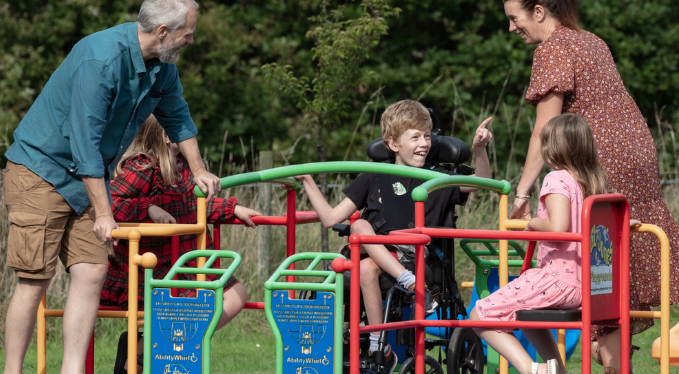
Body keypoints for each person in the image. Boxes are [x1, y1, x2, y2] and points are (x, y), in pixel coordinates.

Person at [1, 0, 221, 374]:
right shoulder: (101, 59)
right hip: (41, 171)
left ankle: (72, 370)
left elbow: (179, 118)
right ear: (164, 31)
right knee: (35, 278)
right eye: (188, 32)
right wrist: (104, 212)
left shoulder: (162, 68)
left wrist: (199, 169)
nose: (192, 39)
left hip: (86, 177)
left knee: (92, 271)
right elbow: (85, 141)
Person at [500, 0, 679, 371]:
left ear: (538, 12)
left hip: (603, 158)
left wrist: (522, 191)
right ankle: (612, 351)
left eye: (514, 18)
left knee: (601, 272)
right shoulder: (592, 40)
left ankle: (610, 358)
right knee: (617, 264)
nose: (511, 28)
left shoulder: (553, 49)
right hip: (639, 155)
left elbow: (545, 128)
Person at [296, 100, 493, 373]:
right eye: (415, 137)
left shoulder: (438, 177)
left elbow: (481, 183)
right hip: (377, 252)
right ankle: (383, 340)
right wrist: (307, 180)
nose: (424, 143)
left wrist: (480, 149)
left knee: (365, 262)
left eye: (427, 135)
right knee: (359, 229)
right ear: (393, 143)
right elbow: (331, 219)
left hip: (415, 255)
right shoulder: (374, 175)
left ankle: (379, 343)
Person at [102, 115, 261, 372]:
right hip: (150, 270)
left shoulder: (186, 168)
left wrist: (233, 209)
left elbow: (196, 206)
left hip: (184, 266)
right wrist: (149, 208)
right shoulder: (141, 167)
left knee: (235, 295)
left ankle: (149, 348)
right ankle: (148, 351)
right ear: (167, 135)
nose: (192, 136)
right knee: (194, 308)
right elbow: (107, 204)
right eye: (185, 130)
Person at [472, 113, 621, 374]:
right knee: (527, 316)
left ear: (552, 147)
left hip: (556, 281)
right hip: (589, 285)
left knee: (479, 315)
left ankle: (532, 369)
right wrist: (538, 219)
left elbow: (558, 227)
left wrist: (532, 224)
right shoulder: (594, 181)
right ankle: (557, 370)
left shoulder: (557, 179)